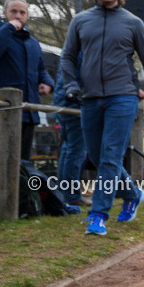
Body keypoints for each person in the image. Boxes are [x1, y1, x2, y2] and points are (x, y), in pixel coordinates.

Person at [59, 0, 144, 236]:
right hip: (90, 97)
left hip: (123, 96)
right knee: (96, 156)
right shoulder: (80, 21)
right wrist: (71, 86)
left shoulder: (133, 22)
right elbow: (67, 57)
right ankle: (133, 194)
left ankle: (98, 215)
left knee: (110, 155)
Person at [0, 0, 55, 160]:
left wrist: (47, 83)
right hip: (5, 110)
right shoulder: (2, 34)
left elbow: (40, 68)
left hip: (29, 110)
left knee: (22, 160)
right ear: (4, 13)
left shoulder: (33, 43)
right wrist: (8, 28)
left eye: (22, 12)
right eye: (13, 11)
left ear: (27, 16)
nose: (18, 16)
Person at [52, 70, 89, 206]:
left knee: (68, 149)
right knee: (76, 151)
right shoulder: (82, 50)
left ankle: (63, 193)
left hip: (63, 102)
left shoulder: (69, 52)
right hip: (75, 103)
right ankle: (71, 195)